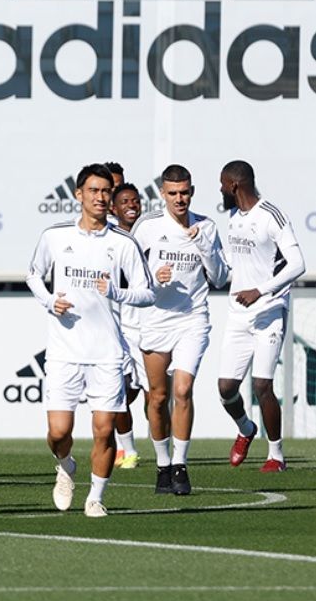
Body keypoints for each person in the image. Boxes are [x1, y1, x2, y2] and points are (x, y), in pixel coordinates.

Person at [26, 163, 155, 517]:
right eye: (93, 191)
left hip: (107, 353)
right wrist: (50, 300)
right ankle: (66, 466)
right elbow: (34, 276)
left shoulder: (123, 243)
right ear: (78, 194)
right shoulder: (55, 236)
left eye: (105, 192)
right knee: (58, 431)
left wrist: (118, 292)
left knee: (104, 430)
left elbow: (148, 294)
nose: (100, 197)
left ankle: (96, 497)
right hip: (65, 351)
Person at [133, 164, 227, 495]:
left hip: (192, 318)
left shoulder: (206, 226)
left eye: (184, 192)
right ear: (162, 194)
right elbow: (129, 274)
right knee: (157, 399)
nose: (179, 199)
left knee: (183, 390)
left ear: (192, 191)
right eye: (172, 193)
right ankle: (161, 465)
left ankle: (180, 467)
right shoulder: (147, 228)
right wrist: (152, 278)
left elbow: (218, 277)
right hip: (156, 319)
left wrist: (203, 245)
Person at [216, 160, 304, 473]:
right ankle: (245, 428)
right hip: (238, 314)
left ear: (234, 186)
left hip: (269, 312)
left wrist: (260, 291)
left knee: (262, 386)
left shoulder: (271, 216)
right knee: (226, 388)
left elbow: (297, 264)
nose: (221, 190)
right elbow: (236, 263)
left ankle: (276, 455)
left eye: (223, 184)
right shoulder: (233, 216)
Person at [109, 183, 147, 469]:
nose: (131, 206)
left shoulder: (153, 232)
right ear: (114, 208)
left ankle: (166, 453)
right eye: (125, 202)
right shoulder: (109, 240)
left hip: (152, 325)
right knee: (118, 392)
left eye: (135, 201)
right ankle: (129, 450)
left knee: (156, 395)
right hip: (121, 328)